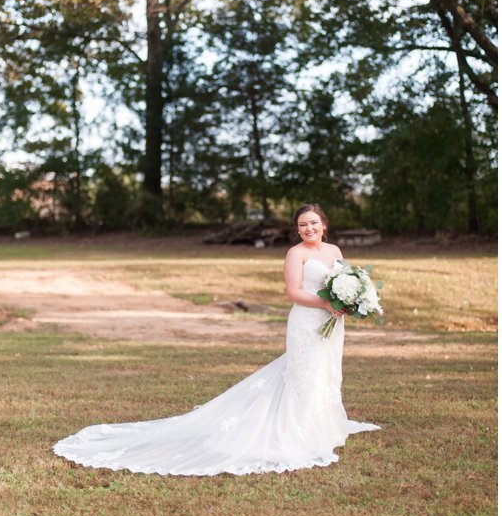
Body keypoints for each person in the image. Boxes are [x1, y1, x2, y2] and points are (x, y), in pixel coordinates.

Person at [53, 203, 379, 476]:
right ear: (297, 230)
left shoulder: (334, 250)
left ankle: (323, 423)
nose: (308, 229)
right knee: (303, 374)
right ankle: (298, 431)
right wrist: (324, 302)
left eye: (313, 223)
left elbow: (345, 280)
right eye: (302, 225)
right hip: (307, 321)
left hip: (332, 323)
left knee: (327, 370)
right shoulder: (295, 254)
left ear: (324, 225)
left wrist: (345, 302)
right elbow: (293, 292)